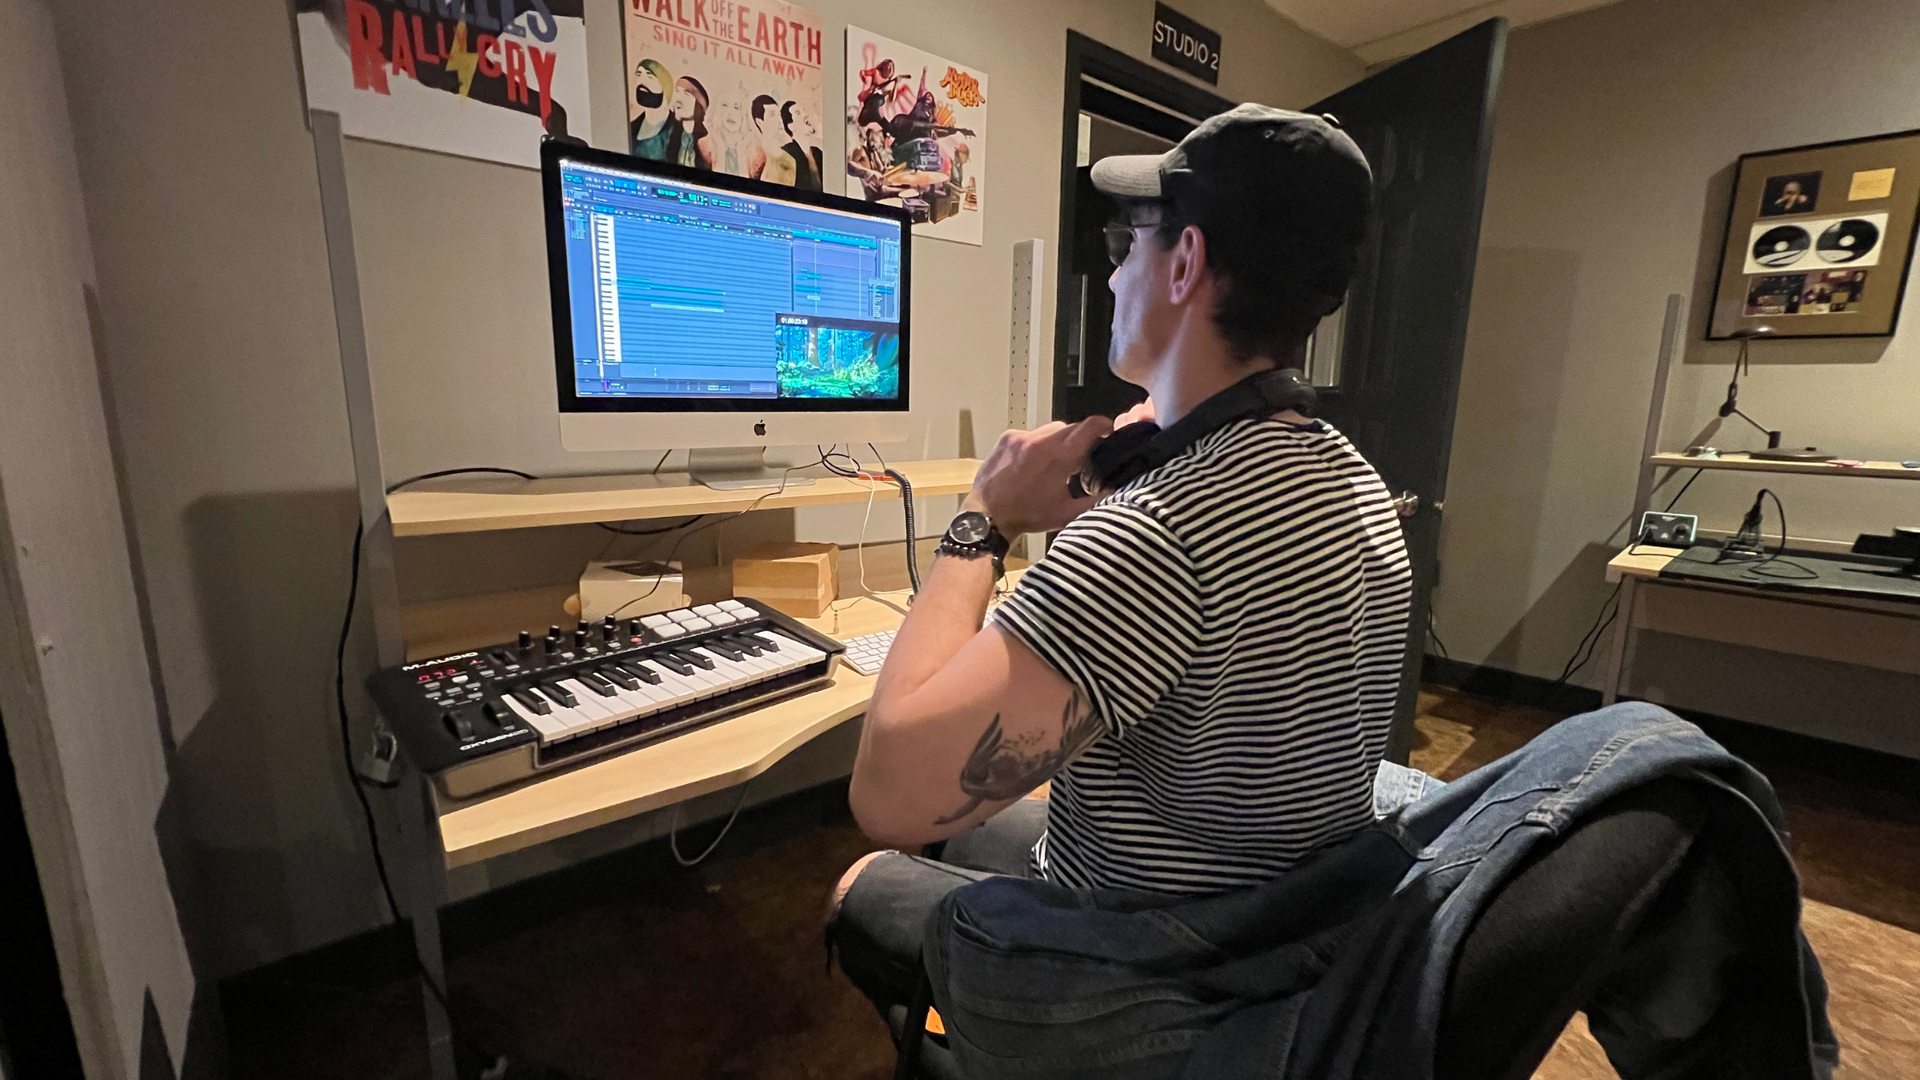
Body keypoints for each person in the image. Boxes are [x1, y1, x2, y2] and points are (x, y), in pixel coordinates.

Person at [827, 105, 1405, 1020]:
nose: (1112, 268)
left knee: (869, 874)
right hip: (1289, 935)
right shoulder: (1351, 476)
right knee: (986, 826)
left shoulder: (1155, 534)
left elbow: (890, 793)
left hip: (1154, 969)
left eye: (1126, 241)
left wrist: (987, 515)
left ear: (1185, 263)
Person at [628, 59, 672, 157]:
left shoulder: (679, 131)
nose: (642, 81)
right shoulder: (631, 128)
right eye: (639, 75)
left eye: (650, 76)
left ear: (665, 86)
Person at [778, 100, 825, 191]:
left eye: (803, 111)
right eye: (798, 113)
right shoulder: (786, 154)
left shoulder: (818, 153)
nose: (805, 115)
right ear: (791, 126)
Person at [751, 94, 795, 186]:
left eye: (779, 115)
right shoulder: (753, 157)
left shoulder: (791, 160)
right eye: (772, 115)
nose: (779, 120)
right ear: (759, 122)